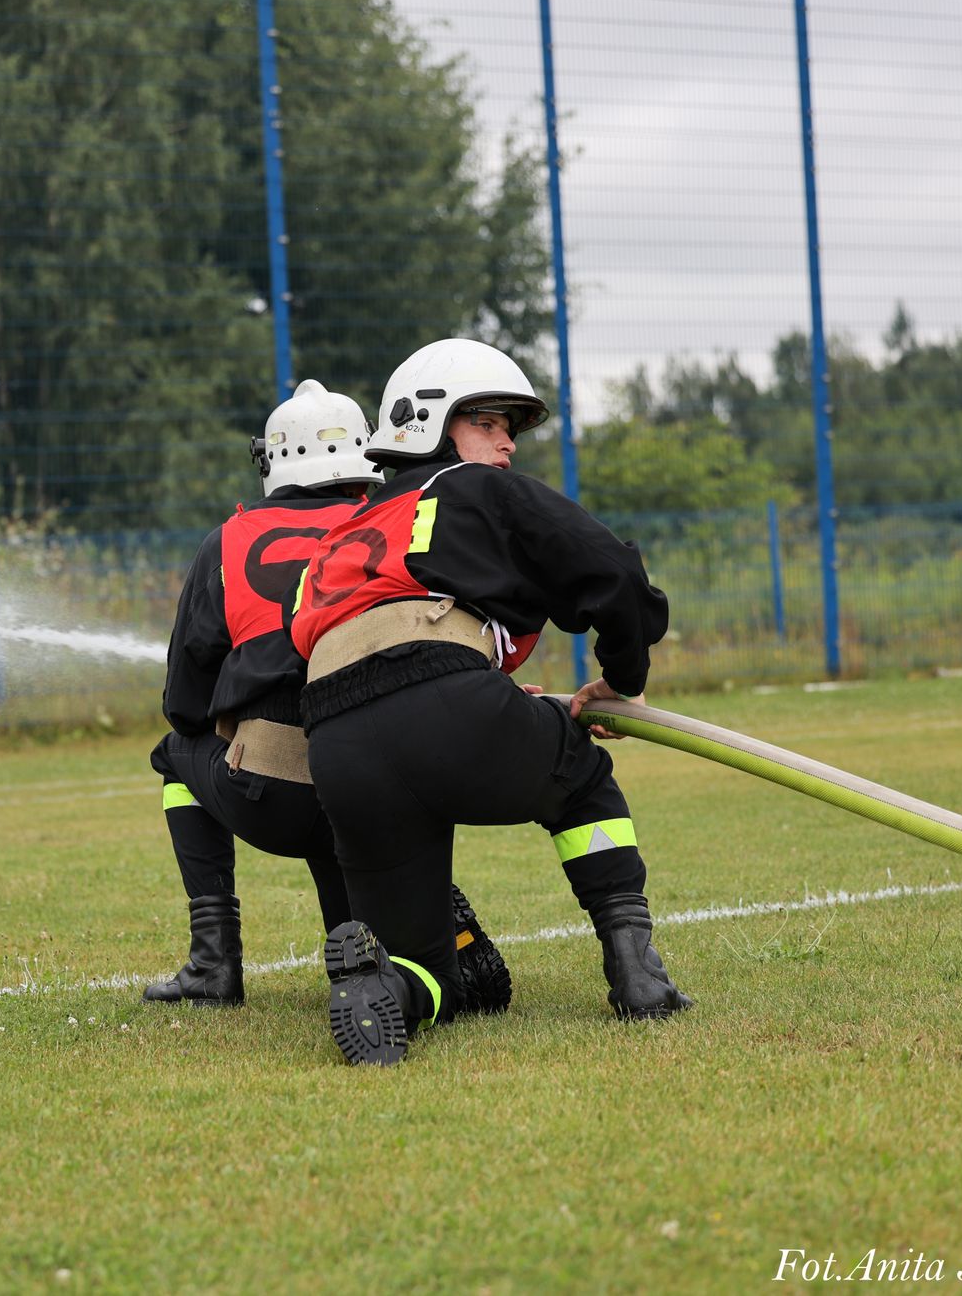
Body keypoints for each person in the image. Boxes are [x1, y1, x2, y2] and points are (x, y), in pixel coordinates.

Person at [289, 338, 691, 1066]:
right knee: (583, 782)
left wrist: (474, 686)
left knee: (427, 966)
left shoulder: (337, 536)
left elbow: (328, 645)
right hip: (446, 704)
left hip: (338, 746)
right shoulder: (472, 487)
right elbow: (613, 572)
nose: (507, 440)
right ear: (430, 426)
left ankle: (393, 992)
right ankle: (639, 973)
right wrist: (622, 678)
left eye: (511, 424)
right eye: (487, 420)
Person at [146, 380, 512, 1015]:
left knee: (174, 754)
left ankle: (213, 964)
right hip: (386, 786)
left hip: (273, 793)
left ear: (273, 459)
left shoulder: (225, 544)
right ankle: (404, 936)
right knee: (348, 805)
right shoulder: (395, 523)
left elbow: (184, 705)